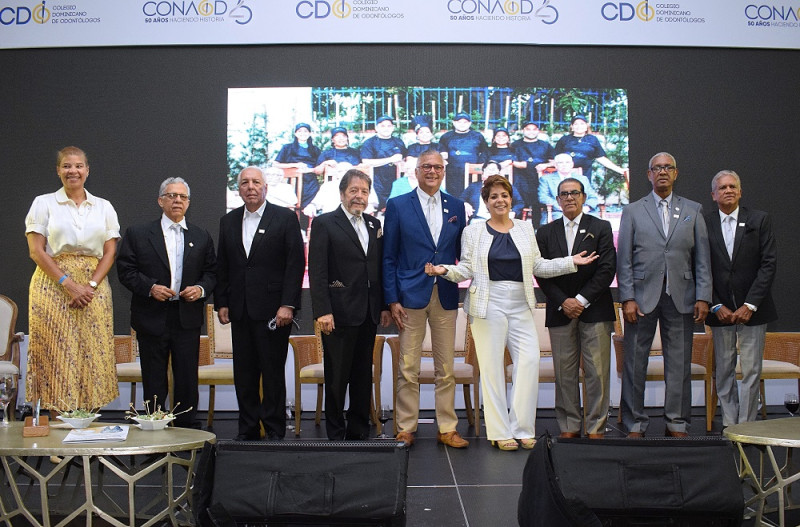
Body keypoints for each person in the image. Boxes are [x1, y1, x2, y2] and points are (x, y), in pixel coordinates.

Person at [426, 175, 597, 451]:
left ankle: (522, 428)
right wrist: (445, 271)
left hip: (520, 302)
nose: (499, 200)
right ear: (486, 202)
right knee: (492, 370)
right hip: (487, 304)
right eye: (493, 196)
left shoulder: (525, 228)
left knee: (528, 363)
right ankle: (499, 431)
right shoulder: (474, 231)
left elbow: (539, 267)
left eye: (503, 195)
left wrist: (571, 262)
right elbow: (467, 269)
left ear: (511, 199)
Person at [617, 152, 711, 438]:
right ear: (648, 175)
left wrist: (703, 296)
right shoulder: (633, 211)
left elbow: (702, 258)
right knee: (635, 362)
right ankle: (635, 423)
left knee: (679, 363)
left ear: (676, 173)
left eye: (668, 167)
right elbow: (624, 260)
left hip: (681, 297)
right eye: (657, 168)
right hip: (641, 298)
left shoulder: (693, 210)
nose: (662, 172)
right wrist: (627, 298)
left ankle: (677, 423)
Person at [383, 149, 469, 448]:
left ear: (444, 171)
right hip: (409, 295)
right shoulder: (397, 206)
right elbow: (389, 256)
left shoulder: (457, 206)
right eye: (426, 167)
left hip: (445, 295)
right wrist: (391, 298)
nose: (432, 171)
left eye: (437, 167)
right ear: (416, 171)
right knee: (409, 366)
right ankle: (406, 426)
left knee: (445, 368)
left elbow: (462, 256)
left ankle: (447, 427)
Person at [24, 146, 120, 411]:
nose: (73, 171)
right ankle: (57, 428)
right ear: (58, 171)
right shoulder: (43, 203)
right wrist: (68, 284)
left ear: (87, 171)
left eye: (78, 166)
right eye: (67, 166)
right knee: (56, 351)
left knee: (93, 351)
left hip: (94, 286)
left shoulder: (104, 206)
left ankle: (86, 425)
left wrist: (88, 286)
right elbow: (36, 250)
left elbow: (110, 252)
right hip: (52, 283)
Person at [117, 177, 217, 428]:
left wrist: (200, 288)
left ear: (189, 203)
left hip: (187, 318)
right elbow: (126, 270)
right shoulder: (138, 234)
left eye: (182, 197)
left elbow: (212, 272)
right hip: (152, 316)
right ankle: (154, 429)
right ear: (160, 201)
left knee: (186, 378)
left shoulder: (201, 235)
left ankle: (186, 432)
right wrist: (149, 288)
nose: (177, 200)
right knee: (153, 378)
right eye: (172, 196)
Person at [215, 166, 305, 440]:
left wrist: (288, 304)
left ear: (265, 187)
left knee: (272, 373)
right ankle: (248, 429)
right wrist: (222, 301)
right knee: (244, 375)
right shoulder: (228, 221)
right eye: (245, 183)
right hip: (240, 310)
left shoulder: (285, 218)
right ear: (239, 189)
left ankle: (275, 429)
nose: (250, 187)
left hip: (274, 311)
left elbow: (295, 264)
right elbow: (224, 265)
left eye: (256, 182)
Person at [308, 169, 391, 440]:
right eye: (354, 190)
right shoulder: (325, 223)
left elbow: (376, 268)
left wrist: (383, 306)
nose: (359, 196)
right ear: (343, 193)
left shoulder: (373, 224)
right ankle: (335, 433)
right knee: (336, 379)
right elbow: (317, 270)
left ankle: (359, 432)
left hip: (367, 314)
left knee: (360, 377)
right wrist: (322, 310)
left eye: (364, 191)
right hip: (338, 314)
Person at [535, 178, 616, 439]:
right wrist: (564, 302)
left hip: (594, 310)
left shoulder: (601, 227)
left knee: (597, 373)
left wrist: (580, 300)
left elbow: (606, 269)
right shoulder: (546, 232)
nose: (569, 198)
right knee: (565, 373)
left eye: (574, 193)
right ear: (557, 200)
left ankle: (595, 428)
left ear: (583, 197)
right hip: (560, 311)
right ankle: (569, 426)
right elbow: (541, 273)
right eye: (564, 194)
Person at [705, 170, 777, 426]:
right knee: (724, 371)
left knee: (750, 371)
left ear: (740, 191)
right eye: (722, 187)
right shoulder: (704, 222)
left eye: (733, 186)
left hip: (753, 312)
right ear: (714, 195)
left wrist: (750, 304)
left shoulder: (759, 220)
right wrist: (714, 304)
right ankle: (729, 424)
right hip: (720, 311)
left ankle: (747, 426)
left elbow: (768, 264)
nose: (728, 190)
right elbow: (699, 268)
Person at [554, 115, 628, 185]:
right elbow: (555, 158)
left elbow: (600, 158)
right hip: (565, 175)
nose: (579, 126)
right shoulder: (564, 140)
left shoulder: (592, 140)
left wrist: (620, 170)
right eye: (576, 124)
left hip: (584, 175)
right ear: (572, 127)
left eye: (582, 124)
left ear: (587, 126)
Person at [360, 116, 407, 210]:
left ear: (393, 128)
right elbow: (366, 161)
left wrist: (400, 162)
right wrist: (390, 159)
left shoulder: (399, 142)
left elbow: (405, 160)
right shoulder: (369, 143)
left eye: (389, 126)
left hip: (395, 180)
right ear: (376, 128)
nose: (386, 128)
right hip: (376, 181)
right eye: (382, 126)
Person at [438, 112, 489, 197]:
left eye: (465, 122)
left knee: (472, 197)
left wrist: (480, 164)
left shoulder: (477, 136)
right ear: (454, 123)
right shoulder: (446, 137)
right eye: (459, 122)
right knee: (453, 198)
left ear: (470, 123)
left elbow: (485, 152)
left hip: (473, 174)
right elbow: (441, 152)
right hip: (452, 174)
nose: (462, 124)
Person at [538, 153, 599, 224]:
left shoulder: (583, 179)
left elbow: (592, 197)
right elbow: (543, 197)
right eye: (560, 163)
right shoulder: (546, 179)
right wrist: (561, 206)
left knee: (597, 224)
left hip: (582, 211)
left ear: (572, 164)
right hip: (558, 212)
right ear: (556, 165)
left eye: (567, 162)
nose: (564, 165)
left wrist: (586, 208)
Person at [273, 123, 322, 209]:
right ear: (295, 133)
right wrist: (295, 165)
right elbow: (276, 164)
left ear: (310, 133)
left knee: (310, 205)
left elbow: (320, 168)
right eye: (300, 131)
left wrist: (309, 170)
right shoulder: (287, 148)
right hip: (291, 182)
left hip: (310, 183)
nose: (303, 133)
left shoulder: (315, 150)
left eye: (305, 131)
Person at [511, 121, 554, 213]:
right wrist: (520, 164)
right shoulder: (515, 145)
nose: (531, 132)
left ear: (538, 131)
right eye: (528, 129)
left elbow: (554, 161)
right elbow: (511, 161)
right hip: (521, 180)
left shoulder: (545, 145)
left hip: (539, 180)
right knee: (519, 201)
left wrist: (545, 165)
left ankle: (536, 226)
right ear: (523, 130)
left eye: (534, 129)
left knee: (538, 202)